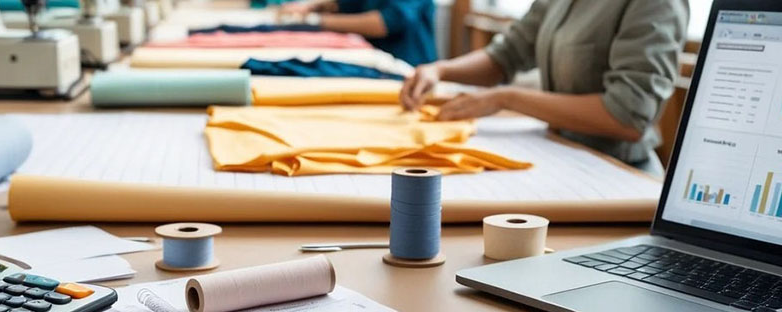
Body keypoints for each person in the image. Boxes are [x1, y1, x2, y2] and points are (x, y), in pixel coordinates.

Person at [400, 0, 690, 173]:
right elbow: (507, 54)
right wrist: (440, 70)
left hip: (618, 172)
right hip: (562, 155)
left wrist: (508, 98)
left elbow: (628, 115)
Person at [279, 0, 437, 66]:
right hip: (374, 60)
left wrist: (316, 21)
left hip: (406, 66)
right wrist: (313, 7)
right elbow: (349, 3)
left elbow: (385, 23)